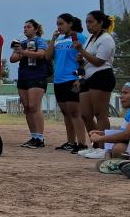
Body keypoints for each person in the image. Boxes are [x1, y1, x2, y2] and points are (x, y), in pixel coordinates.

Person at [74, 11, 117, 159]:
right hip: (88, 76)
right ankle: (95, 145)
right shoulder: (90, 39)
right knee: (86, 115)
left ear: (100, 22)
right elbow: (88, 58)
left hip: (102, 76)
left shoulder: (106, 39)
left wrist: (81, 51)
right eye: (86, 22)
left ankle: (105, 148)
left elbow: (99, 61)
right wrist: (80, 57)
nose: (88, 25)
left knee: (100, 114)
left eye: (91, 22)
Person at [46, 13, 88, 153]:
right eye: (58, 24)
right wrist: (53, 39)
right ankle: (71, 142)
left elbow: (85, 58)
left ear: (70, 23)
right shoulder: (59, 39)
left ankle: (82, 143)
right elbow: (48, 56)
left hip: (72, 79)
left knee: (75, 112)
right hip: (58, 80)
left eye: (62, 23)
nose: (59, 26)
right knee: (66, 113)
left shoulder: (79, 37)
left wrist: (79, 78)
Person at [10, 19, 49, 149]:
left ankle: (40, 138)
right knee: (27, 107)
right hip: (24, 76)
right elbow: (13, 59)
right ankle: (33, 136)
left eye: (28, 27)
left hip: (37, 76)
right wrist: (20, 50)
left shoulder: (39, 41)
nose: (25, 29)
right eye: (24, 27)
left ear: (36, 29)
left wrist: (23, 51)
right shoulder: (22, 43)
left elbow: (41, 54)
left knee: (34, 106)